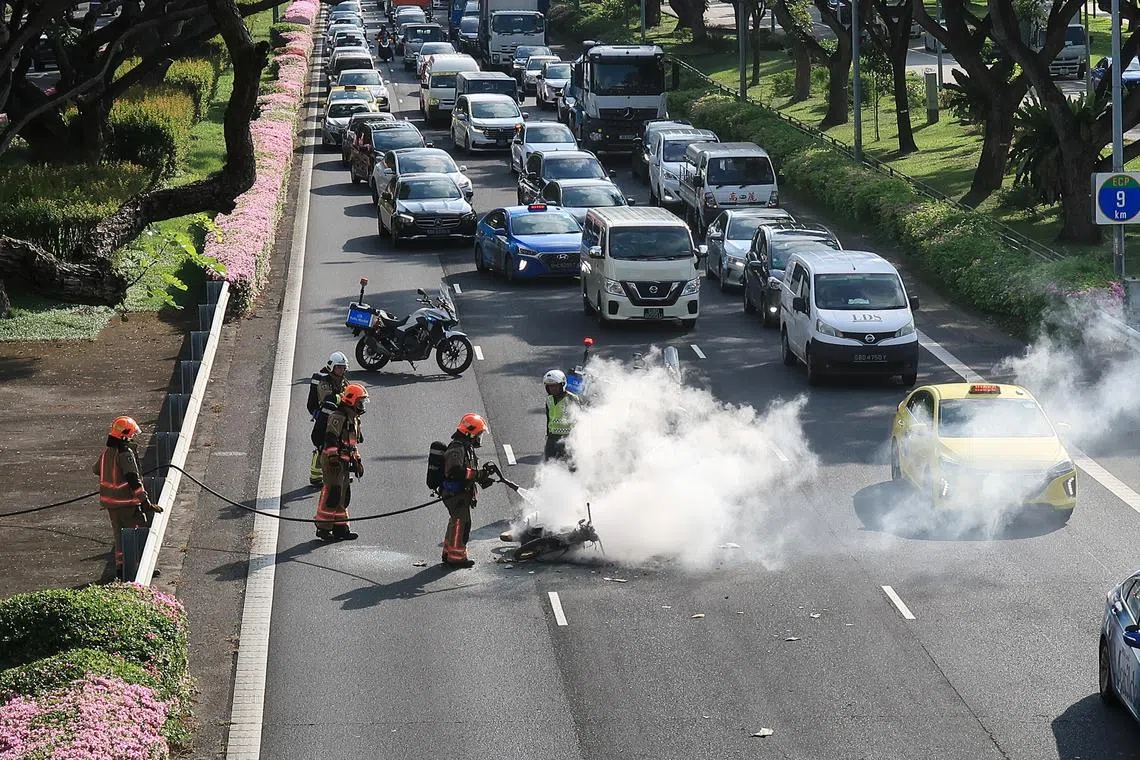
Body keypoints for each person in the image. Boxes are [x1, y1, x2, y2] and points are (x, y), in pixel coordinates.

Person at [92, 416, 163, 578]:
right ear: (124, 435)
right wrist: (145, 501)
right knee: (140, 532)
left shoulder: (106, 452)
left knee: (119, 536)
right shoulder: (125, 453)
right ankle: (143, 566)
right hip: (126, 503)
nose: (133, 437)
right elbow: (133, 479)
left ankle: (121, 568)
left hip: (110, 504)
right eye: (131, 434)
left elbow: (96, 469)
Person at [439, 413, 497, 567]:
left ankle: (447, 551)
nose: (479, 438)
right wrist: (477, 474)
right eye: (478, 434)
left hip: (459, 492)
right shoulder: (457, 448)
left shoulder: (465, 446)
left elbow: (467, 470)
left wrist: (481, 476)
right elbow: (456, 470)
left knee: (456, 520)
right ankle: (457, 557)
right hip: (455, 493)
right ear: (469, 432)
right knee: (461, 523)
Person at [315, 383, 368, 542]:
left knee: (343, 495)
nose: (362, 406)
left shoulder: (354, 418)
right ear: (352, 401)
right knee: (333, 493)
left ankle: (340, 528)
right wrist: (332, 458)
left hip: (344, 462)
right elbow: (330, 438)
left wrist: (357, 460)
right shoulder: (338, 417)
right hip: (333, 461)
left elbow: (352, 443)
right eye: (360, 402)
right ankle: (323, 528)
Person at [307, 351, 349, 486]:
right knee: (322, 446)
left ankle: (340, 473)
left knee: (341, 444)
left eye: (343, 367)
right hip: (325, 417)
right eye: (338, 367)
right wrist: (343, 397)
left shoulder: (343, 380)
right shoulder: (323, 381)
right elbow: (328, 400)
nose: (341, 370)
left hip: (338, 417)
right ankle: (315, 476)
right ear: (331, 367)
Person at [542, 369, 579, 463]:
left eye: (555, 386)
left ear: (562, 385)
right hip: (552, 439)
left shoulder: (571, 399)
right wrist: (548, 435)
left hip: (568, 438)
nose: (552, 389)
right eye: (549, 387)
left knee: (570, 467)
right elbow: (549, 418)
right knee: (549, 466)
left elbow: (579, 420)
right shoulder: (549, 400)